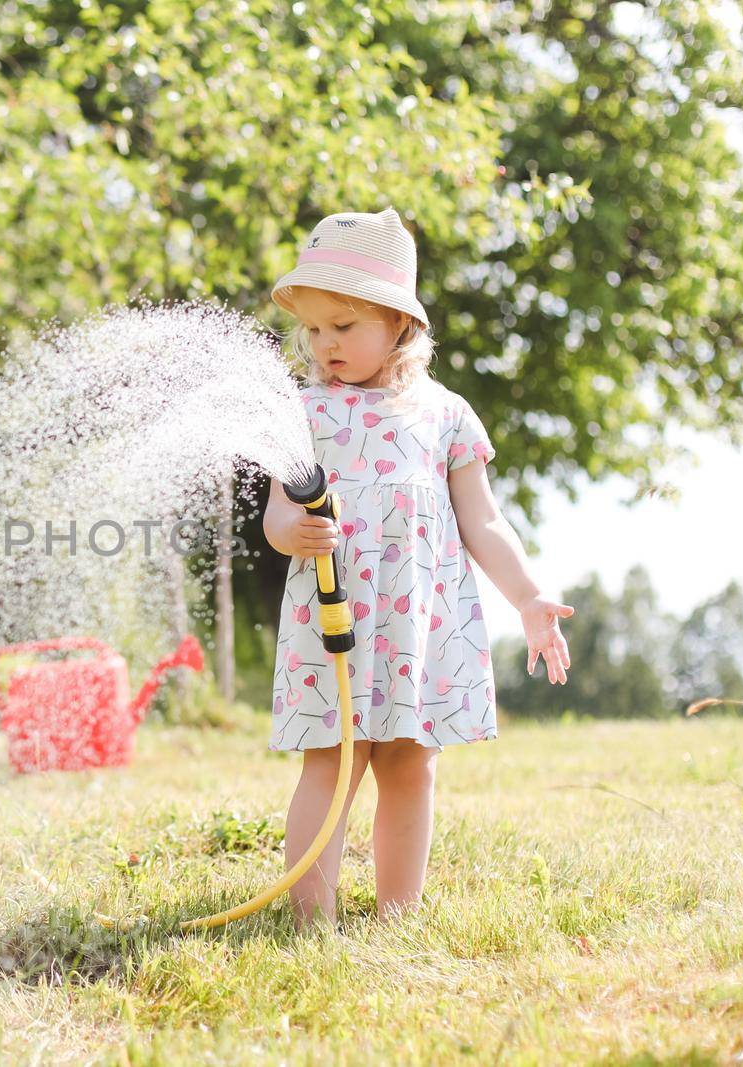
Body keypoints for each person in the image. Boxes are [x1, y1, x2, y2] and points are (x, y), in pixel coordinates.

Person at [263, 207, 574, 931]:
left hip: (415, 623)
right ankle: (309, 919)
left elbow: (484, 519)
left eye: (344, 325)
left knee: (409, 764)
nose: (325, 343)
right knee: (332, 763)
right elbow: (278, 513)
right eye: (314, 329)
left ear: (400, 324)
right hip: (333, 617)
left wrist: (528, 597)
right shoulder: (302, 410)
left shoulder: (446, 415)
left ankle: (398, 915)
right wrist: (294, 531)